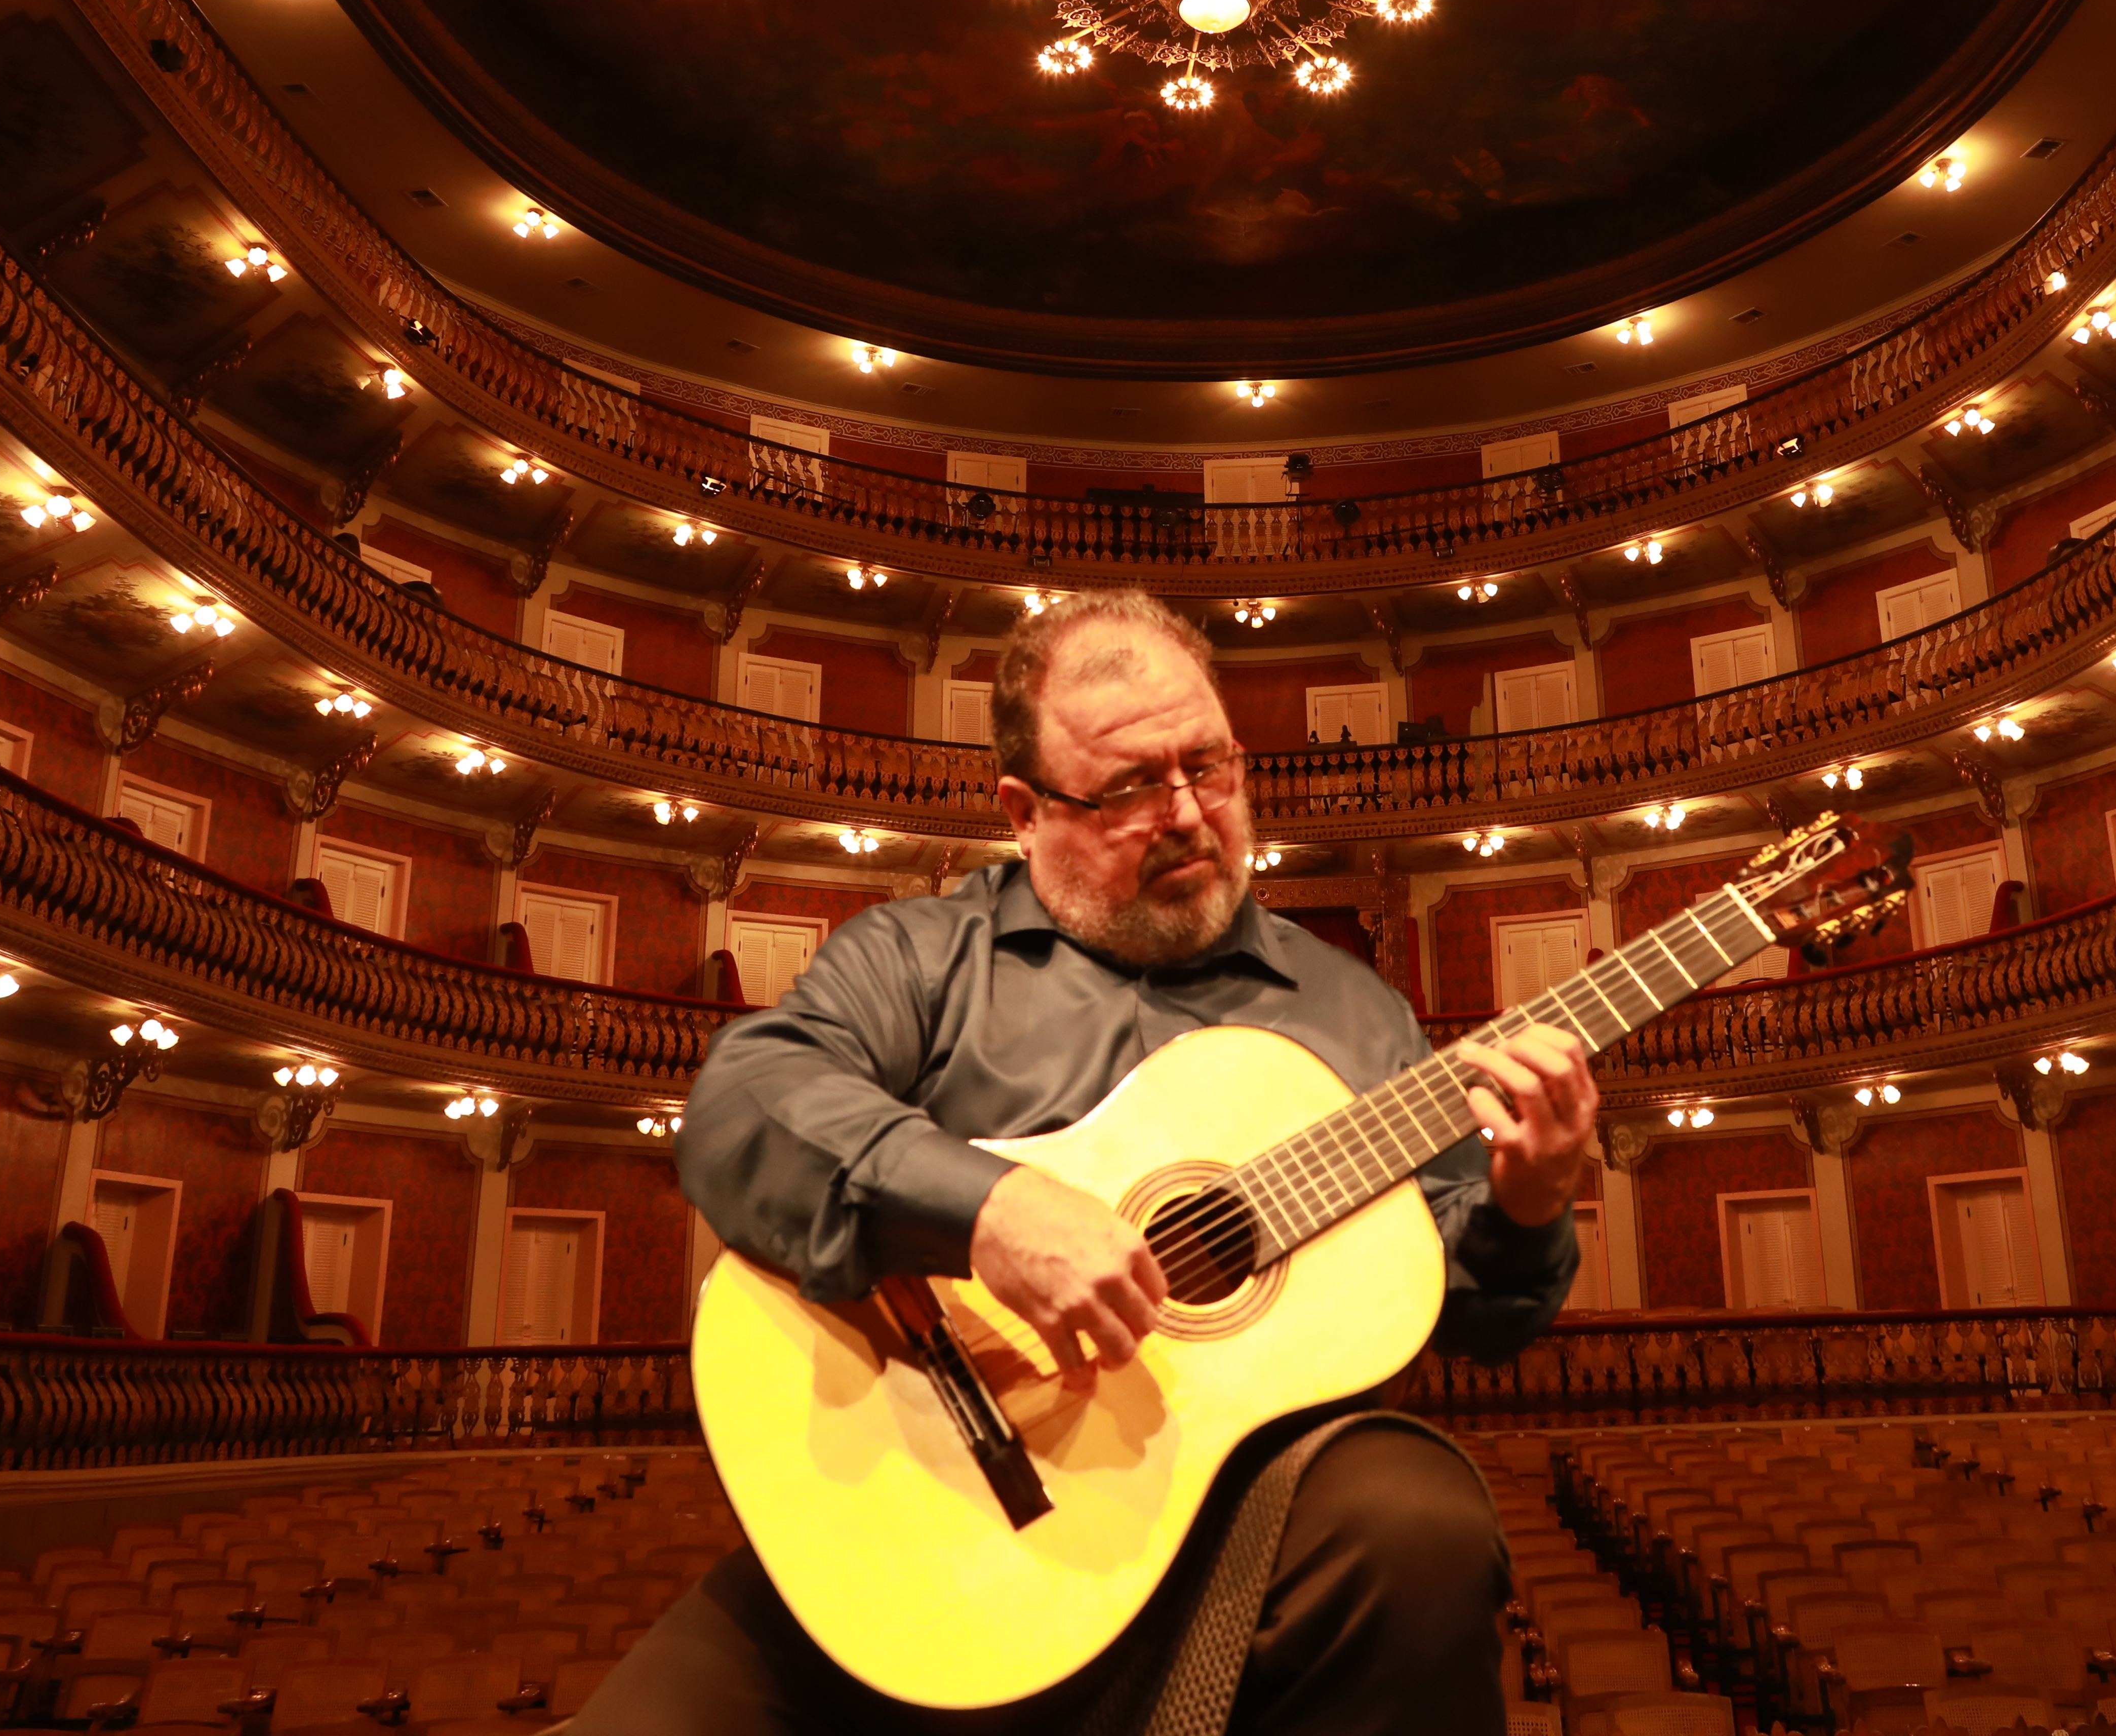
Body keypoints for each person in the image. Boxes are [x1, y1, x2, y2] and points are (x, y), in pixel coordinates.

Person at [581, 590, 1595, 1735]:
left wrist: (1528, 1199)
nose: (1186, 813)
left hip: (1238, 1522)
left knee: (1421, 1518)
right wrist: (991, 1211)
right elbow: (742, 1106)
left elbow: (1457, 1300)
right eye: (1126, 787)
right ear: (1023, 809)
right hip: (915, 1511)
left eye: (1208, 766)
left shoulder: (1354, 1010)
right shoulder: (923, 956)